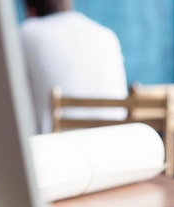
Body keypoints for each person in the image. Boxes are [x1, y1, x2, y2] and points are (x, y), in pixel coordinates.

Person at [20, 0, 128, 134]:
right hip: (118, 147)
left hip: (58, 149)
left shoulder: (25, 34)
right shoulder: (108, 37)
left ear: (30, 10)